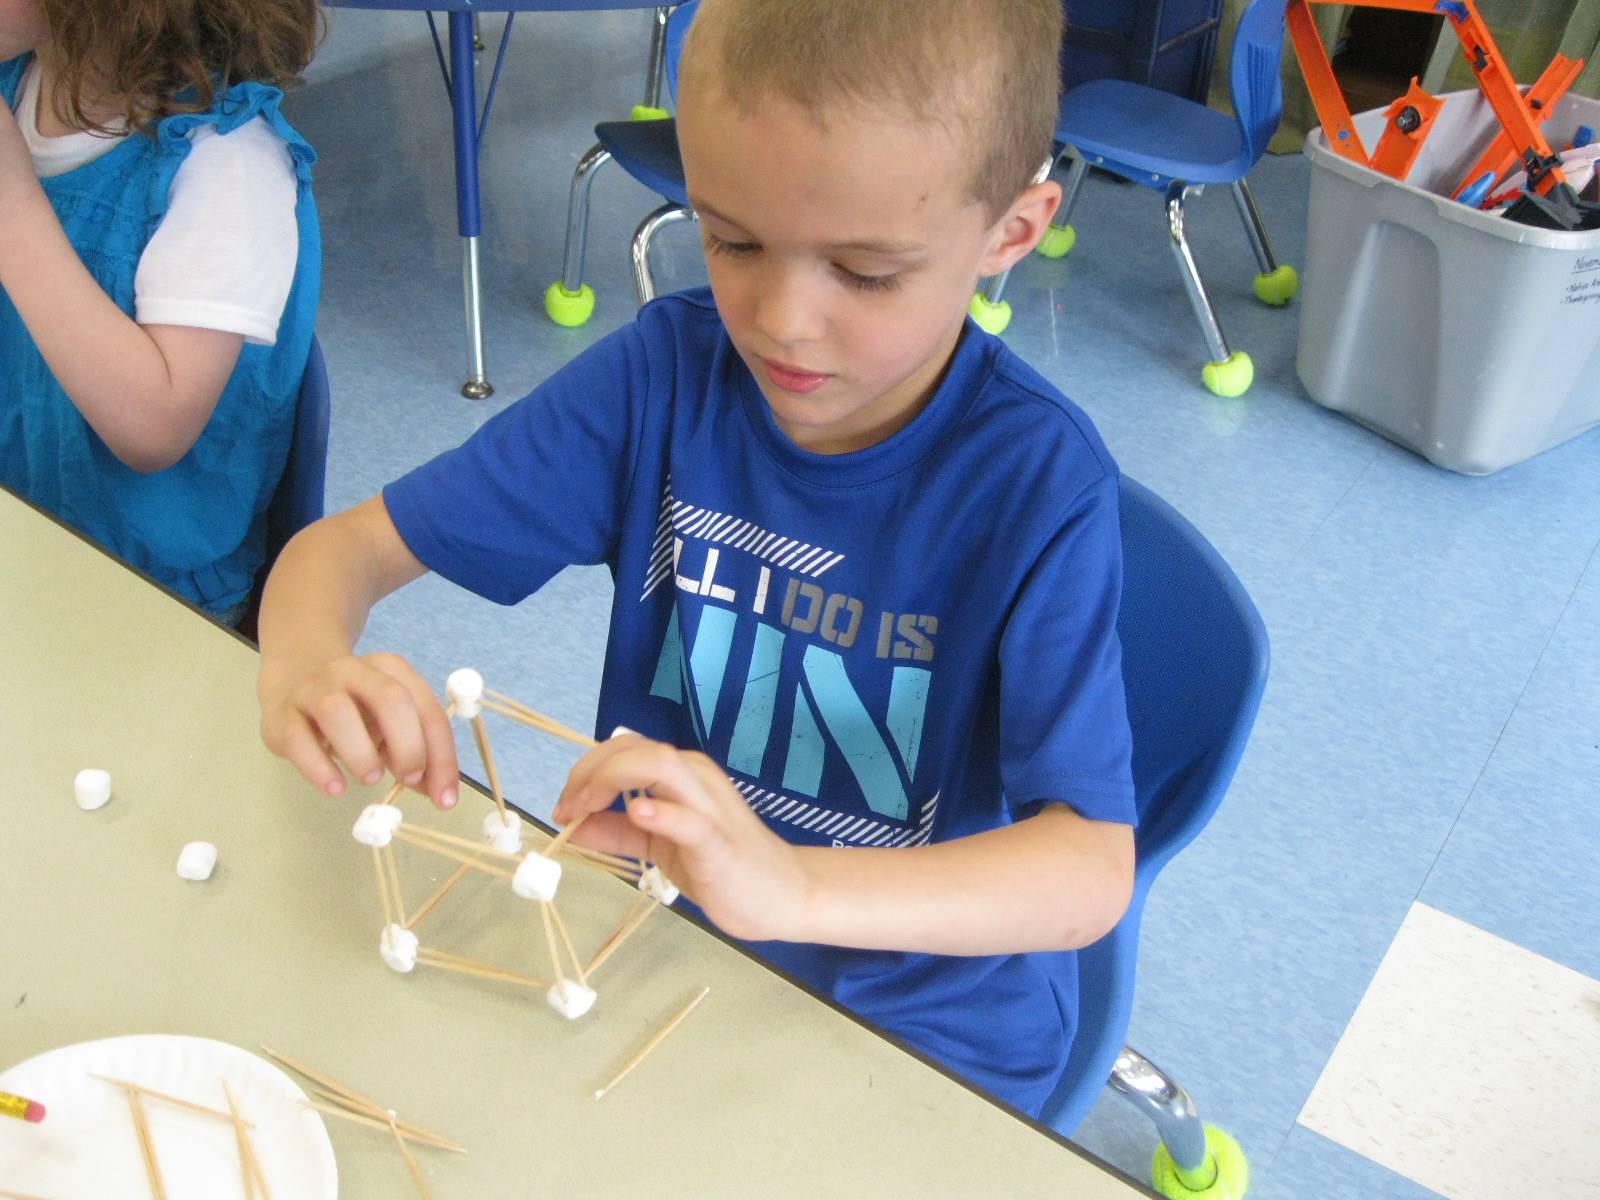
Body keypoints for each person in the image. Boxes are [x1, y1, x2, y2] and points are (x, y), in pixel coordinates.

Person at [257, 0, 1136, 1117]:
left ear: (1011, 233)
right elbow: (341, 552)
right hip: (657, 953)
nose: (780, 320)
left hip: (921, 1034)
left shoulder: (1037, 486)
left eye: (864, 272)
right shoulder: (662, 380)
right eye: (729, 238)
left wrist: (790, 885)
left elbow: (1086, 872)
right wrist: (303, 665)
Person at [0, 0, 321, 624]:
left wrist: (10, 204)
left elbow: (154, 426)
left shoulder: (231, 165)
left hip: (143, 591)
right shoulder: (18, 73)